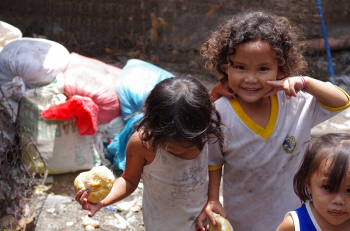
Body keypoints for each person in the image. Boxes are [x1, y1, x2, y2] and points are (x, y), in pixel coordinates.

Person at [195, 10, 350, 231]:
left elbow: (342, 101)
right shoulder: (219, 113)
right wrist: (212, 199)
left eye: (263, 69)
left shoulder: (296, 102)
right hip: (242, 218)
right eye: (240, 67)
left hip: (294, 219)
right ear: (224, 66)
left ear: (282, 69)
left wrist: (305, 82)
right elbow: (213, 163)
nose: (250, 78)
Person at [75, 76, 225, 230]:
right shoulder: (142, 144)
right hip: (160, 224)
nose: (182, 150)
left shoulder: (206, 133)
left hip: (200, 221)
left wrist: (213, 199)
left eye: (190, 144)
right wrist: (101, 201)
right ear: (154, 127)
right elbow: (128, 180)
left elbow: (214, 164)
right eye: (172, 145)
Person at [276, 133, 350, 231]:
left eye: (349, 190)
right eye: (327, 188)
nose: (339, 201)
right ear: (308, 184)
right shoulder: (294, 225)